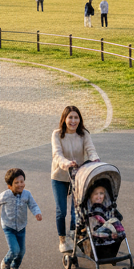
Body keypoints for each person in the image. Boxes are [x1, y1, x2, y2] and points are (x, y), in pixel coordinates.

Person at [51, 105, 99, 253]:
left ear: (80, 119)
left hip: (78, 176)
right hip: (60, 176)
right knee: (61, 211)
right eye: (70, 117)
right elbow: (57, 154)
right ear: (64, 119)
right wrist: (66, 163)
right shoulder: (57, 134)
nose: (73, 121)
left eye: (76, 117)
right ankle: (62, 240)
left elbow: (91, 150)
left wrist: (95, 159)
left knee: (76, 211)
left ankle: (74, 232)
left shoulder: (83, 134)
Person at [0, 168, 43, 269]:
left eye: (22, 181)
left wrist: (37, 213)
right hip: (8, 227)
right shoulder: (5, 195)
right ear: (9, 186)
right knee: (14, 250)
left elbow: (33, 205)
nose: (20, 184)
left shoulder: (27, 194)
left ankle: (14, 267)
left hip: (21, 227)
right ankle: (5, 263)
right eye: (16, 182)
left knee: (21, 251)